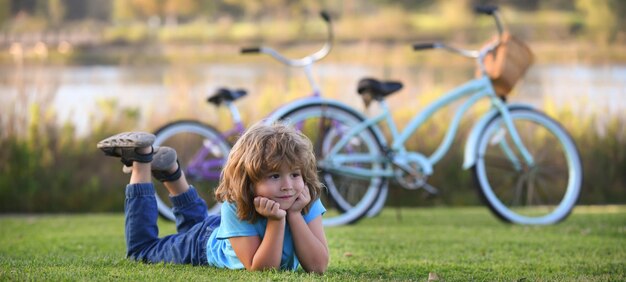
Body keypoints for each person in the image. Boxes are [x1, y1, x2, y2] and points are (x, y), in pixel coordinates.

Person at [97, 122, 329, 273]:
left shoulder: (304, 198)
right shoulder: (237, 203)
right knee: (142, 251)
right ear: (249, 180)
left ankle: (171, 171)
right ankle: (141, 161)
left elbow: (318, 267)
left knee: (196, 223)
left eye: (295, 174)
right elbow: (262, 270)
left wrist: (295, 215)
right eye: (275, 176)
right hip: (202, 245)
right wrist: (277, 222)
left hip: (223, 232)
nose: (288, 186)